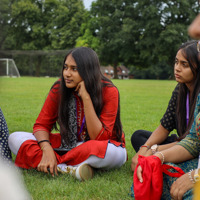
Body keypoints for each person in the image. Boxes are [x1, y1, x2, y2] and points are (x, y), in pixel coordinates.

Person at [8, 47, 127, 181]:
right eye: (65, 67)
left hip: (100, 146)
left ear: (88, 70)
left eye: (74, 69)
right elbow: (41, 125)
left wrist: (86, 98)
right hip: (69, 144)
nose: (67, 73)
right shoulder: (59, 88)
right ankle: (66, 168)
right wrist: (47, 150)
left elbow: (99, 139)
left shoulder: (109, 91)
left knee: (108, 152)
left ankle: (56, 164)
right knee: (14, 138)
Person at [134, 40, 200, 199]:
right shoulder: (180, 90)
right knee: (139, 137)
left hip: (191, 148)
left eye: (184, 64)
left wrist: (155, 151)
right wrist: (147, 149)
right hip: (186, 142)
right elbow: (166, 126)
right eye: (176, 62)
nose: (177, 68)